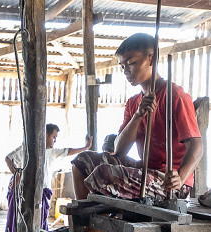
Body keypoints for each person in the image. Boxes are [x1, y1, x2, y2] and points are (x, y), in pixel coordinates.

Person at [71, 33, 203, 201]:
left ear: (152, 59)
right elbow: (119, 150)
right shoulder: (133, 103)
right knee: (83, 161)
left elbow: (197, 145)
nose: (126, 71)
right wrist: (138, 115)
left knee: (104, 174)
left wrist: (181, 177)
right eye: (122, 66)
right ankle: (86, 222)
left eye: (131, 63)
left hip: (169, 181)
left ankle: (95, 225)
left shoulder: (174, 95)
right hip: (144, 171)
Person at [4, 123, 92, 232]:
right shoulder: (27, 148)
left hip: (41, 192)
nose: (55, 141)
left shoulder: (50, 152)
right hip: (21, 191)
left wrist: (85, 148)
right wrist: (17, 175)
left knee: (41, 224)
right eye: (53, 137)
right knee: (13, 222)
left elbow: (68, 151)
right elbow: (8, 158)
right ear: (44, 134)